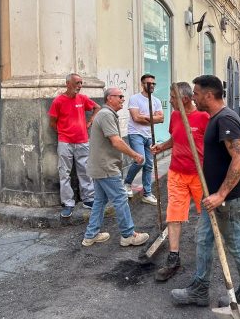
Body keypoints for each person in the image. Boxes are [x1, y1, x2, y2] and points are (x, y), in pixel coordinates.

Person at [171, 75, 240, 307]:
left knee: (237, 246)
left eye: (197, 94)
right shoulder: (216, 118)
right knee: (204, 238)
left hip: (228, 200)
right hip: (214, 197)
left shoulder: (225, 120)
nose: (194, 98)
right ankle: (200, 289)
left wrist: (221, 194)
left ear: (209, 95)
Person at [151, 82, 210, 282]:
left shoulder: (204, 117)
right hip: (176, 173)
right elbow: (176, 139)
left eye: (173, 97)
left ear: (185, 99)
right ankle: (173, 257)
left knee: (207, 215)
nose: (170, 100)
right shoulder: (175, 116)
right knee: (174, 215)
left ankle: (206, 254)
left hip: (199, 175)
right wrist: (162, 147)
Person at [82, 87, 150, 248]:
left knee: (100, 200)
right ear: (109, 98)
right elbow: (116, 141)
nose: (122, 99)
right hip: (106, 167)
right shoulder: (106, 114)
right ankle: (128, 235)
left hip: (100, 166)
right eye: (119, 96)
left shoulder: (106, 114)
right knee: (120, 198)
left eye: (122, 96)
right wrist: (135, 155)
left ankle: (90, 236)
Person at [48, 73, 98, 221]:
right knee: (64, 173)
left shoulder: (82, 99)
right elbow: (52, 121)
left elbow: (97, 107)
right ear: (67, 84)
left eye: (81, 83)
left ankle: (88, 199)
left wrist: (90, 121)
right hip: (65, 142)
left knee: (85, 171)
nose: (80, 86)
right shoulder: (58, 101)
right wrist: (63, 133)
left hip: (82, 141)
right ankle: (68, 203)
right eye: (77, 83)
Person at [123, 73, 164, 205]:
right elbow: (136, 118)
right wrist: (152, 118)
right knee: (140, 160)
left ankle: (147, 194)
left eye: (153, 83)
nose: (151, 86)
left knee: (149, 165)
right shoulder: (135, 99)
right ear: (142, 84)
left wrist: (144, 117)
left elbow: (161, 118)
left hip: (149, 135)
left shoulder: (156, 101)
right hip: (136, 134)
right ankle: (127, 184)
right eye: (149, 83)